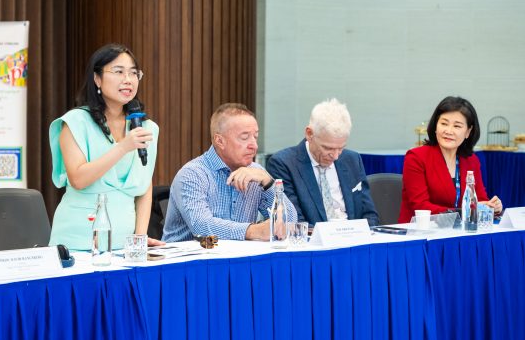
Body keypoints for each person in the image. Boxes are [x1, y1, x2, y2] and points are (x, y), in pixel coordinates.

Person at [49, 43, 162, 250]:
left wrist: (139, 237)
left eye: (133, 73)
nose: (128, 79)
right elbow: (78, 179)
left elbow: (145, 186)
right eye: (118, 72)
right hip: (78, 241)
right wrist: (122, 147)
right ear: (97, 78)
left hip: (125, 243)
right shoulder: (75, 122)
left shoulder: (146, 128)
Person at [162, 103, 297, 242]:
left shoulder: (256, 173)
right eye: (244, 138)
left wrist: (268, 182)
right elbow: (201, 227)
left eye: (255, 137)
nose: (254, 145)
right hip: (191, 255)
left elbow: (290, 223)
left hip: (239, 255)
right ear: (220, 141)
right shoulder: (192, 174)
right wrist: (253, 231)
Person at [267, 98, 380, 226]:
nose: (335, 156)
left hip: (354, 235)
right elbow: (294, 222)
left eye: (341, 148)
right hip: (315, 236)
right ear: (309, 134)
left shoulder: (352, 159)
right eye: (328, 148)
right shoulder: (284, 164)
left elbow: (370, 215)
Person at [398, 96, 502, 223]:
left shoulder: (471, 160)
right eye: (444, 124)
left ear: (468, 132)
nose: (448, 131)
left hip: (460, 230)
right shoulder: (416, 157)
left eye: (457, 126)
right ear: (435, 126)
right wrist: (463, 212)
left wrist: (491, 206)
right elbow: (421, 206)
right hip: (422, 230)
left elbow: (479, 200)